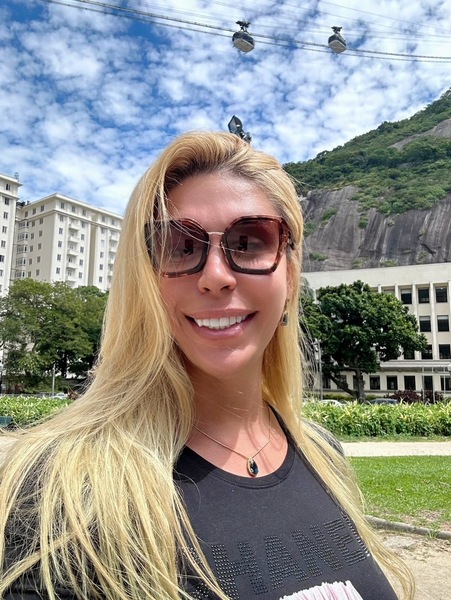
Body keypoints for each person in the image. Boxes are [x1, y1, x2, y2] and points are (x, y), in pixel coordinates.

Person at [0, 132, 414, 600]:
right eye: (180, 246)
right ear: (144, 280)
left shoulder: (323, 453)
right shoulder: (60, 494)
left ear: (290, 275)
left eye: (249, 241)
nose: (215, 276)